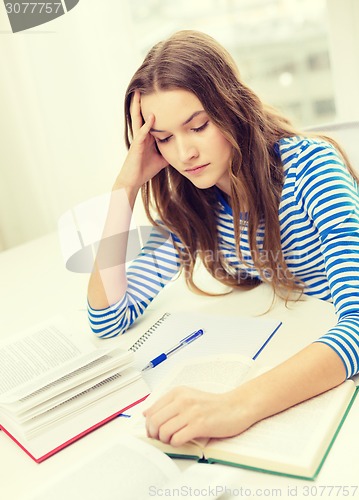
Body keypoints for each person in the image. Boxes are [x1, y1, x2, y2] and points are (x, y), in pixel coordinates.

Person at [87, 30, 359, 447]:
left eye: (197, 126)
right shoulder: (197, 205)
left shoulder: (312, 172)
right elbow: (108, 317)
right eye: (163, 139)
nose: (184, 154)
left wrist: (236, 406)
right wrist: (124, 188)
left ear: (231, 108)